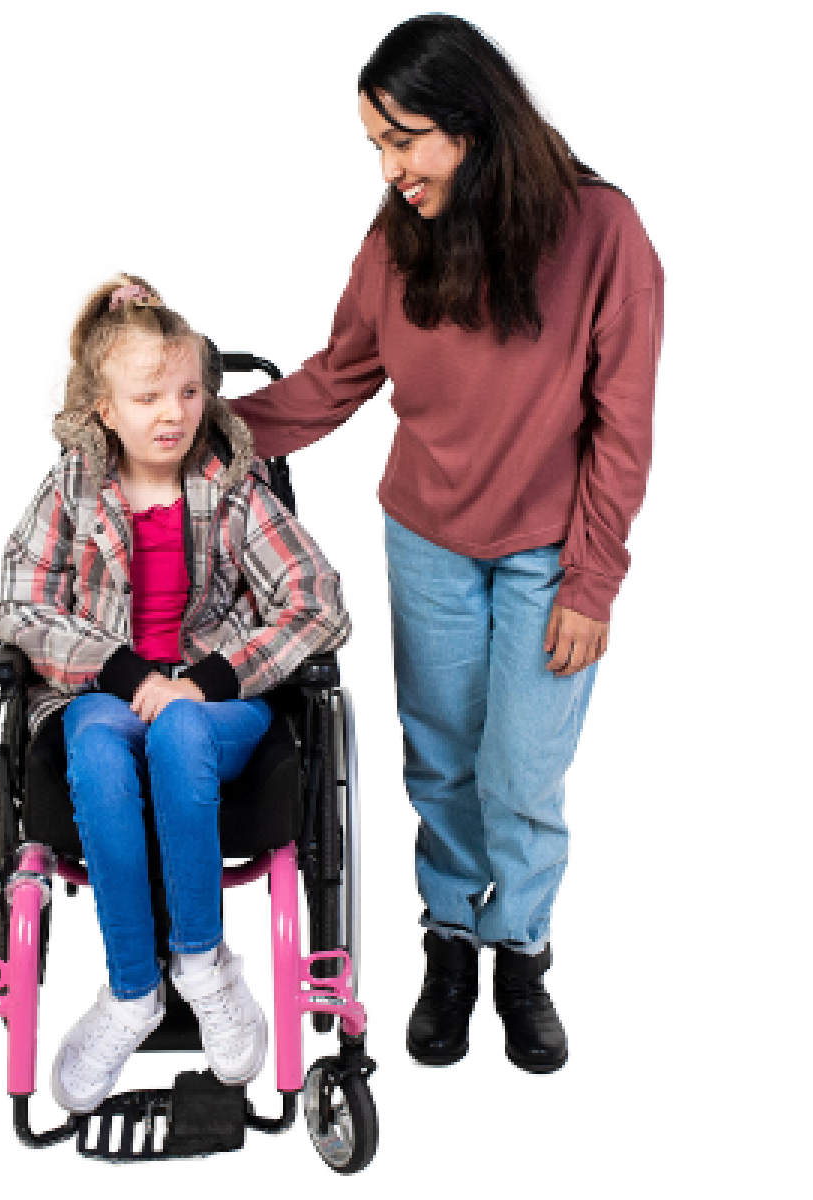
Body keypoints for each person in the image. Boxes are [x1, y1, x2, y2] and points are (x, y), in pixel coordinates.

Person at [228, 15, 665, 1075]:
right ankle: (449, 947)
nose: (390, 167)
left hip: (548, 556)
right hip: (424, 537)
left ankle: (522, 952)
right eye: (377, 143)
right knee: (439, 765)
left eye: (404, 139)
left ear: (473, 124)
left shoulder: (603, 235)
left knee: (519, 771)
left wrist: (592, 583)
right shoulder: (397, 236)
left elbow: (623, 429)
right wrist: (208, 424)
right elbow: (338, 377)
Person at [0, 273, 352, 1113]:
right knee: (95, 737)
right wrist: (123, 673)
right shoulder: (72, 492)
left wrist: (208, 678)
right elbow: (19, 604)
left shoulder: (230, 488)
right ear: (104, 409)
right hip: (104, 696)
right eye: (149, 395)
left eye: (190, 390)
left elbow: (316, 601)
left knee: (180, 729)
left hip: (217, 706)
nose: (174, 412)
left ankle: (202, 960)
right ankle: (128, 989)